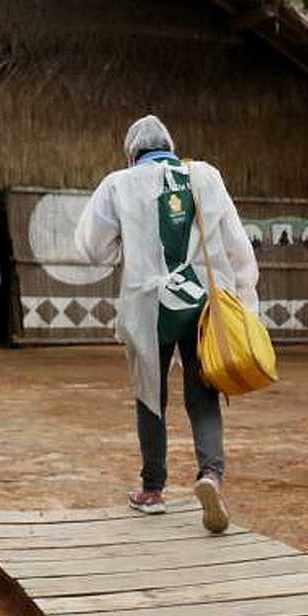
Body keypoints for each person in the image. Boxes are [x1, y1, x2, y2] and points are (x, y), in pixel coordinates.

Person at [75, 115, 258, 533]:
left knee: (149, 395)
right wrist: (245, 295)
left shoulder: (118, 184)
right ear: (170, 146)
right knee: (204, 391)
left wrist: (125, 238)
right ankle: (210, 475)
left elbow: (91, 248)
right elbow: (236, 242)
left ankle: (153, 491)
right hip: (203, 301)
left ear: (131, 152)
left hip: (148, 304)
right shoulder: (205, 176)